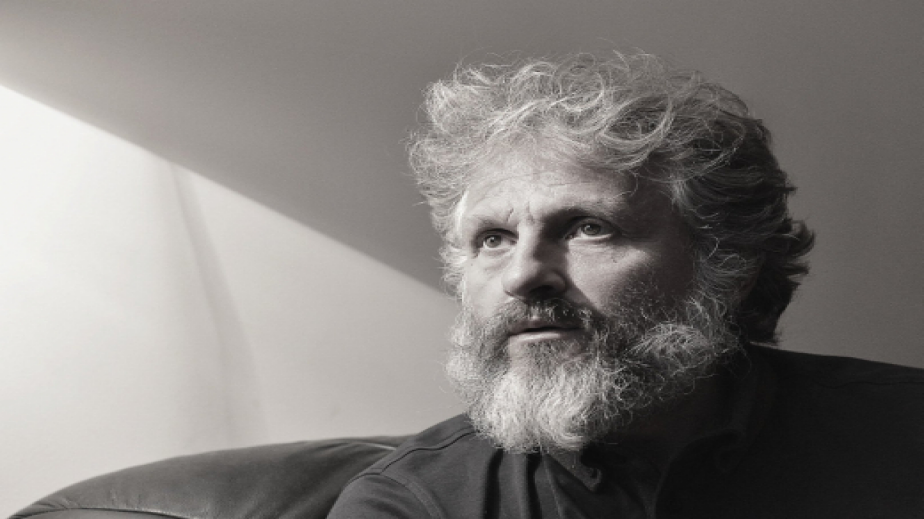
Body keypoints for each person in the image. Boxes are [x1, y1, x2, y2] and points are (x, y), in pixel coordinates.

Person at [327, 51, 924, 518]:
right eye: (493, 239)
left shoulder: (904, 434)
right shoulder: (413, 505)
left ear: (728, 265)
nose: (523, 275)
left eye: (588, 228)